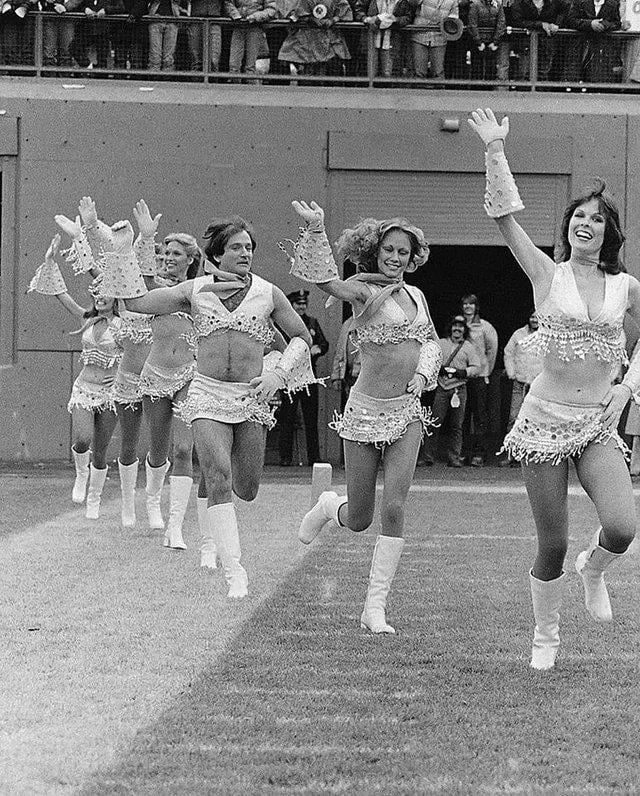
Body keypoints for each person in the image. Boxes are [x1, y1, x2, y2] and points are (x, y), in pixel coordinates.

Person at [468, 107, 640, 670]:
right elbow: (505, 218)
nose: (583, 223)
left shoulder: (626, 287)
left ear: (610, 233)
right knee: (551, 545)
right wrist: (496, 151)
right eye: (577, 216)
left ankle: (595, 569)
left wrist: (627, 388)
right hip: (543, 421)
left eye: (595, 218)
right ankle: (546, 635)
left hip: (596, 422)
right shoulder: (548, 274)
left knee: (621, 526)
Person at [108, 213, 314, 598]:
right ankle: (234, 570)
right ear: (216, 255)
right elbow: (135, 302)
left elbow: (301, 338)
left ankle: (222, 536)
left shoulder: (269, 293)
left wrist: (277, 375)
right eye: (236, 247)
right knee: (217, 475)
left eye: (249, 247)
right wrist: (122, 252)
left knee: (247, 487)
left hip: (252, 398)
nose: (245, 253)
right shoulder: (195, 290)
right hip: (205, 393)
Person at [289, 200, 442, 635]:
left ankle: (374, 607)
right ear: (376, 252)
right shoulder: (361, 290)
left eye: (403, 253)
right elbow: (326, 283)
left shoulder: (417, 295)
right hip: (364, 412)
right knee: (360, 518)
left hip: (407, 413)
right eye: (389, 250)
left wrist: (424, 373)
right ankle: (328, 505)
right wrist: (317, 229)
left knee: (394, 507)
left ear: (414, 259)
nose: (396, 259)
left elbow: (429, 342)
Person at [29, 234, 121, 519]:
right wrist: (50, 261)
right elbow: (62, 295)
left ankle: (94, 500)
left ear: (116, 296)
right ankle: (81, 475)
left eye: (106, 292)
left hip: (110, 394)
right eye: (97, 293)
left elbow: (135, 356)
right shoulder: (87, 318)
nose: (101, 297)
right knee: (82, 440)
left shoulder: (124, 325)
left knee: (101, 452)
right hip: (84, 388)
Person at [138, 230, 201, 549]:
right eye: (165, 254)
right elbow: (147, 278)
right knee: (159, 449)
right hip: (155, 374)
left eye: (176, 254)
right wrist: (147, 236)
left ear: (191, 259)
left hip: (189, 374)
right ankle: (152, 502)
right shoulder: (156, 289)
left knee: (183, 449)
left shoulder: (199, 292)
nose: (168, 259)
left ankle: (175, 526)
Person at [421, 314, 481, 467]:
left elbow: (476, 367)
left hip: (459, 389)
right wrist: (438, 369)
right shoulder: (440, 343)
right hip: (441, 387)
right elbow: (428, 358)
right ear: (450, 328)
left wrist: (462, 372)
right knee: (434, 422)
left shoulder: (469, 347)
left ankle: (454, 457)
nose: (457, 329)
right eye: (455, 326)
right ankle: (428, 456)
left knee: (457, 426)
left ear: (464, 330)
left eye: (460, 326)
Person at [278, 289, 329, 466]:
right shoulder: (286, 322)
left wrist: (318, 349)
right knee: (287, 417)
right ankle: (285, 457)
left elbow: (324, 344)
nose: (301, 307)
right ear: (291, 305)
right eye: (298, 304)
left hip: (308, 376)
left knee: (311, 418)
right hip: (290, 378)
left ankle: (314, 457)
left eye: (304, 304)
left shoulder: (312, 322)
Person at [499, 309, 543, 465]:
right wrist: (511, 372)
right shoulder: (518, 334)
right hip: (520, 382)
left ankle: (533, 456)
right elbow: (508, 352)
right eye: (532, 317)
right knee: (514, 417)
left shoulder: (547, 335)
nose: (534, 320)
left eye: (537, 317)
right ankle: (511, 455)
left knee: (537, 420)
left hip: (539, 385)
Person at [460, 292, 497, 466]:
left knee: (480, 417)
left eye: (471, 304)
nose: (468, 307)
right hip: (460, 377)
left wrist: (485, 371)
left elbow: (492, 350)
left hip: (479, 377)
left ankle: (479, 454)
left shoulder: (485, 327)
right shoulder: (457, 324)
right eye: (465, 304)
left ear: (476, 307)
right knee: (462, 417)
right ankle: (462, 453)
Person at [278, 0, 352, 78]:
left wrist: (333, 20)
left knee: (333, 73)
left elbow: (345, 12)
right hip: (308, 42)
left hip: (331, 40)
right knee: (308, 75)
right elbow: (295, 15)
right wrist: (310, 19)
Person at [564, 0, 622, 84]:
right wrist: (590, 24)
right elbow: (571, 20)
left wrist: (604, 25)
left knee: (599, 74)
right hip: (580, 45)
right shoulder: (579, 2)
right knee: (576, 73)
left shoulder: (613, 4)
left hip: (603, 47)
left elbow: (617, 23)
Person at [409, 0, 458, 82]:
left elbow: (454, 17)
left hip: (439, 37)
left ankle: (439, 93)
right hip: (420, 35)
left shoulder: (453, 1)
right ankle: (417, 94)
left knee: (438, 71)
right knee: (419, 71)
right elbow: (412, 3)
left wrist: (448, 21)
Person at [362, 0, 412, 79]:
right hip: (373, 38)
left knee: (388, 71)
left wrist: (396, 20)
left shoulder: (402, 2)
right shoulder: (372, 1)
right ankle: (371, 89)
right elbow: (360, 10)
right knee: (372, 70)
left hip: (392, 39)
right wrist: (366, 19)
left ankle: (389, 89)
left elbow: (408, 18)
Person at [225, 0, 275, 77]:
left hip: (255, 27)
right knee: (234, 65)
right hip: (238, 26)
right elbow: (228, 3)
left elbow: (271, 9)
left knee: (251, 66)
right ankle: (234, 86)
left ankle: (251, 85)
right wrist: (236, 15)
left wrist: (256, 16)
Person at [467, 0, 507, 82]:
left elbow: (501, 23)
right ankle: (476, 90)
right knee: (476, 67)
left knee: (491, 67)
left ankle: (489, 91)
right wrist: (478, 42)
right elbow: (472, 24)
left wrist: (495, 42)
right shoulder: (475, 5)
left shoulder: (498, 6)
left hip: (492, 42)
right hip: (477, 42)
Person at [330, 313, 361, 409]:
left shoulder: (374, 322)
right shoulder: (348, 324)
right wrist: (336, 376)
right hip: (349, 377)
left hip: (365, 377)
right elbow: (340, 350)